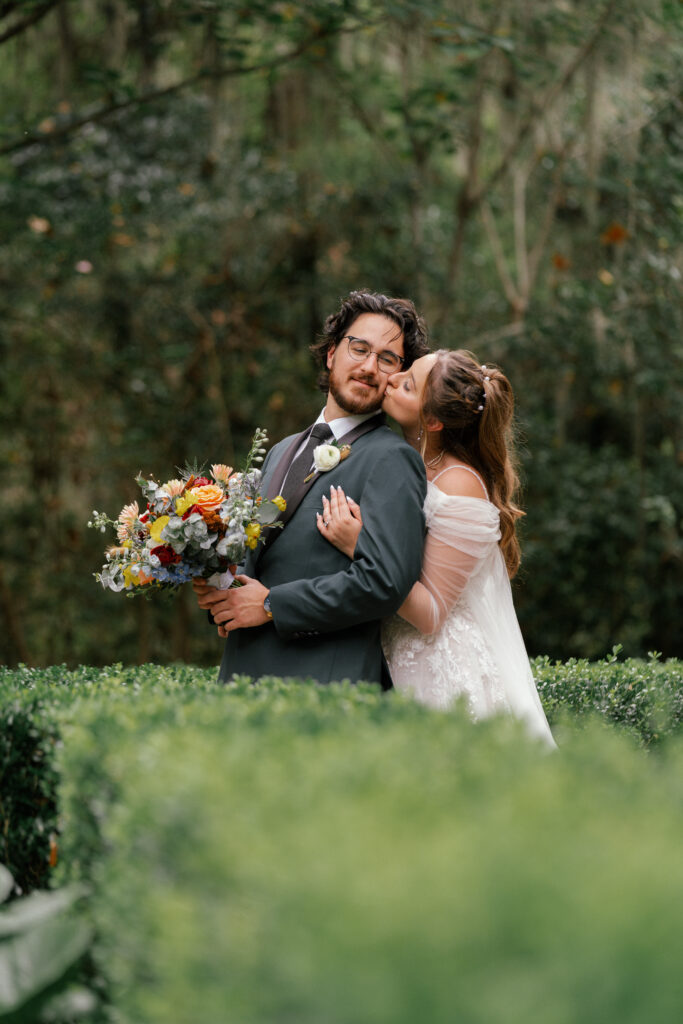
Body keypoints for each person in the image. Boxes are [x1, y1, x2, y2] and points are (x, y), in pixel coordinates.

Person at [193, 290, 430, 688]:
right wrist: (219, 587)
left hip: (324, 685)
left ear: (397, 376)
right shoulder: (282, 449)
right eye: (359, 348)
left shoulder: (393, 459)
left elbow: (387, 583)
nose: (370, 367)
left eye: (387, 359)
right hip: (242, 677)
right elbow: (260, 559)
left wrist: (271, 605)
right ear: (331, 353)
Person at [318, 349, 555, 745]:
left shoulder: (459, 484)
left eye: (407, 383)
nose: (392, 379)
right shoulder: (405, 459)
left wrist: (361, 546)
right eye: (406, 370)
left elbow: (430, 614)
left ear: (432, 420)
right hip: (391, 656)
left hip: (440, 670)